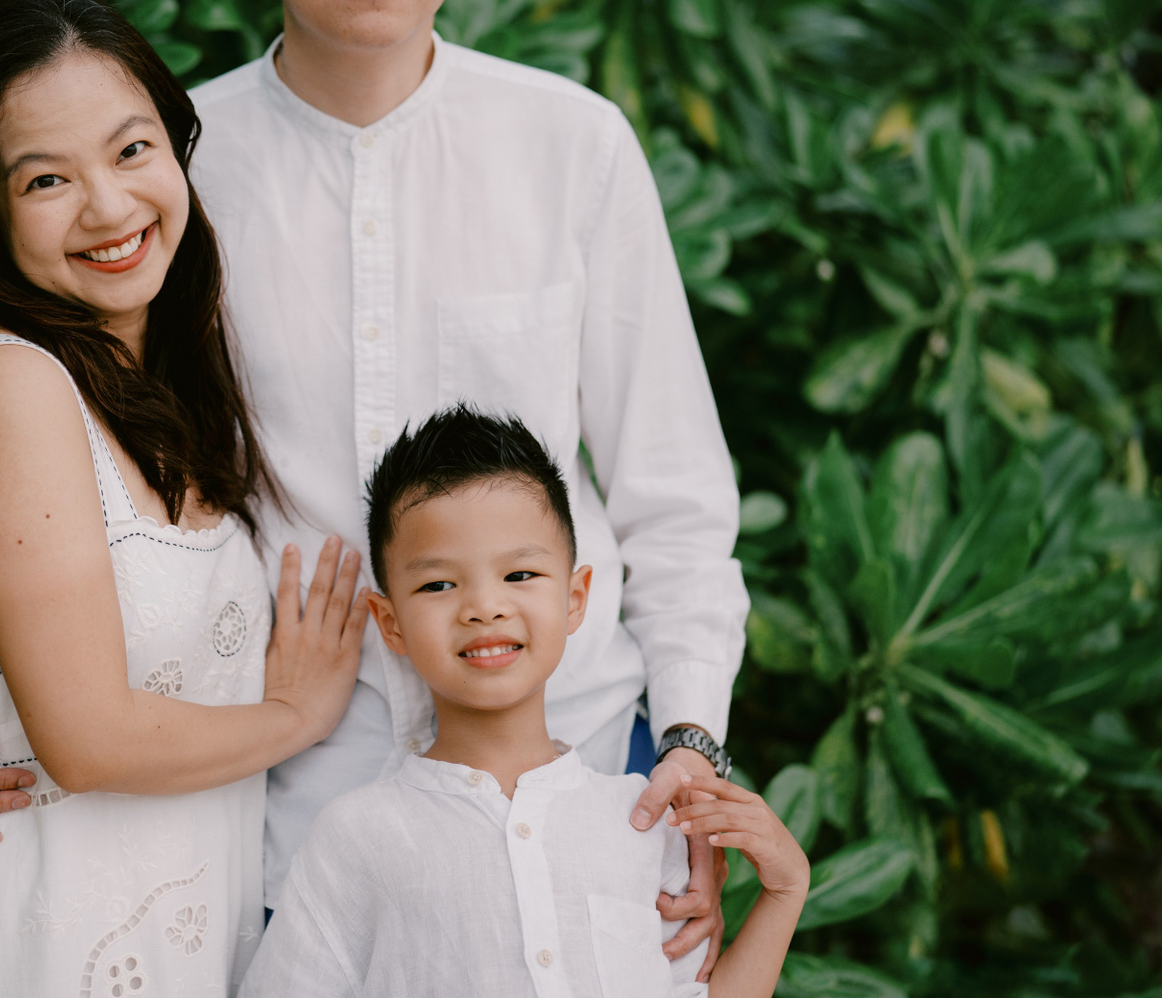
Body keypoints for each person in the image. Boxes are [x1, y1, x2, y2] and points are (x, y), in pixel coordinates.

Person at [0, 0, 748, 967]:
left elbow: (677, 504)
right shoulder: (161, 175)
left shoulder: (573, 147)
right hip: (289, 815)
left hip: (574, 777)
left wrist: (693, 745)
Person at [0, 0, 367, 996]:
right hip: (41, 937)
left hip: (171, 926)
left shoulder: (162, 369)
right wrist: (296, 713)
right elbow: (88, 739)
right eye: (45, 179)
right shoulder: (11, 384)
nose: (108, 206)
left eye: (132, 149)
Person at [240, 407, 807, 997]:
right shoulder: (357, 837)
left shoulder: (642, 822)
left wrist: (786, 892)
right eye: (438, 584)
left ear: (575, 598)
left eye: (519, 575)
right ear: (391, 623)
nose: (484, 607)